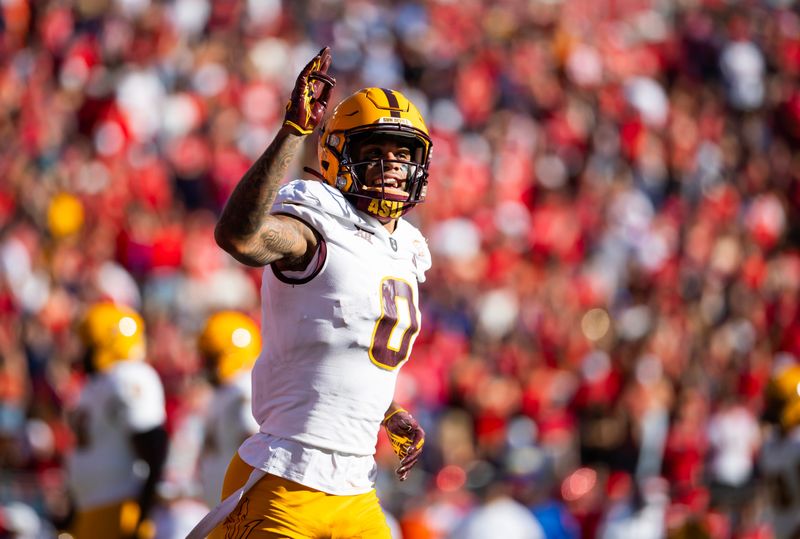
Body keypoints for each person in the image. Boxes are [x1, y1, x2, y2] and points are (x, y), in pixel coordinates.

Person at [187, 46, 432, 538]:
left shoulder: (404, 247)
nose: (391, 165)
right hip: (286, 479)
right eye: (374, 152)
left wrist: (385, 410)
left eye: (402, 155)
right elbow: (240, 237)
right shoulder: (317, 223)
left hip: (357, 486)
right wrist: (292, 133)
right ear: (337, 155)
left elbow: (340, 344)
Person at [64, 302, 168, 539]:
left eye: (88, 341)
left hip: (120, 506)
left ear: (108, 341)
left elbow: (154, 446)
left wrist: (143, 512)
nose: (82, 349)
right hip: (91, 508)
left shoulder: (128, 376)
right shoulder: (95, 384)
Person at [196, 310, 261, 508]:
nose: (205, 365)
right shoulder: (225, 392)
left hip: (241, 510)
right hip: (225, 509)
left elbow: (257, 448)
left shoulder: (243, 390)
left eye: (211, 358)